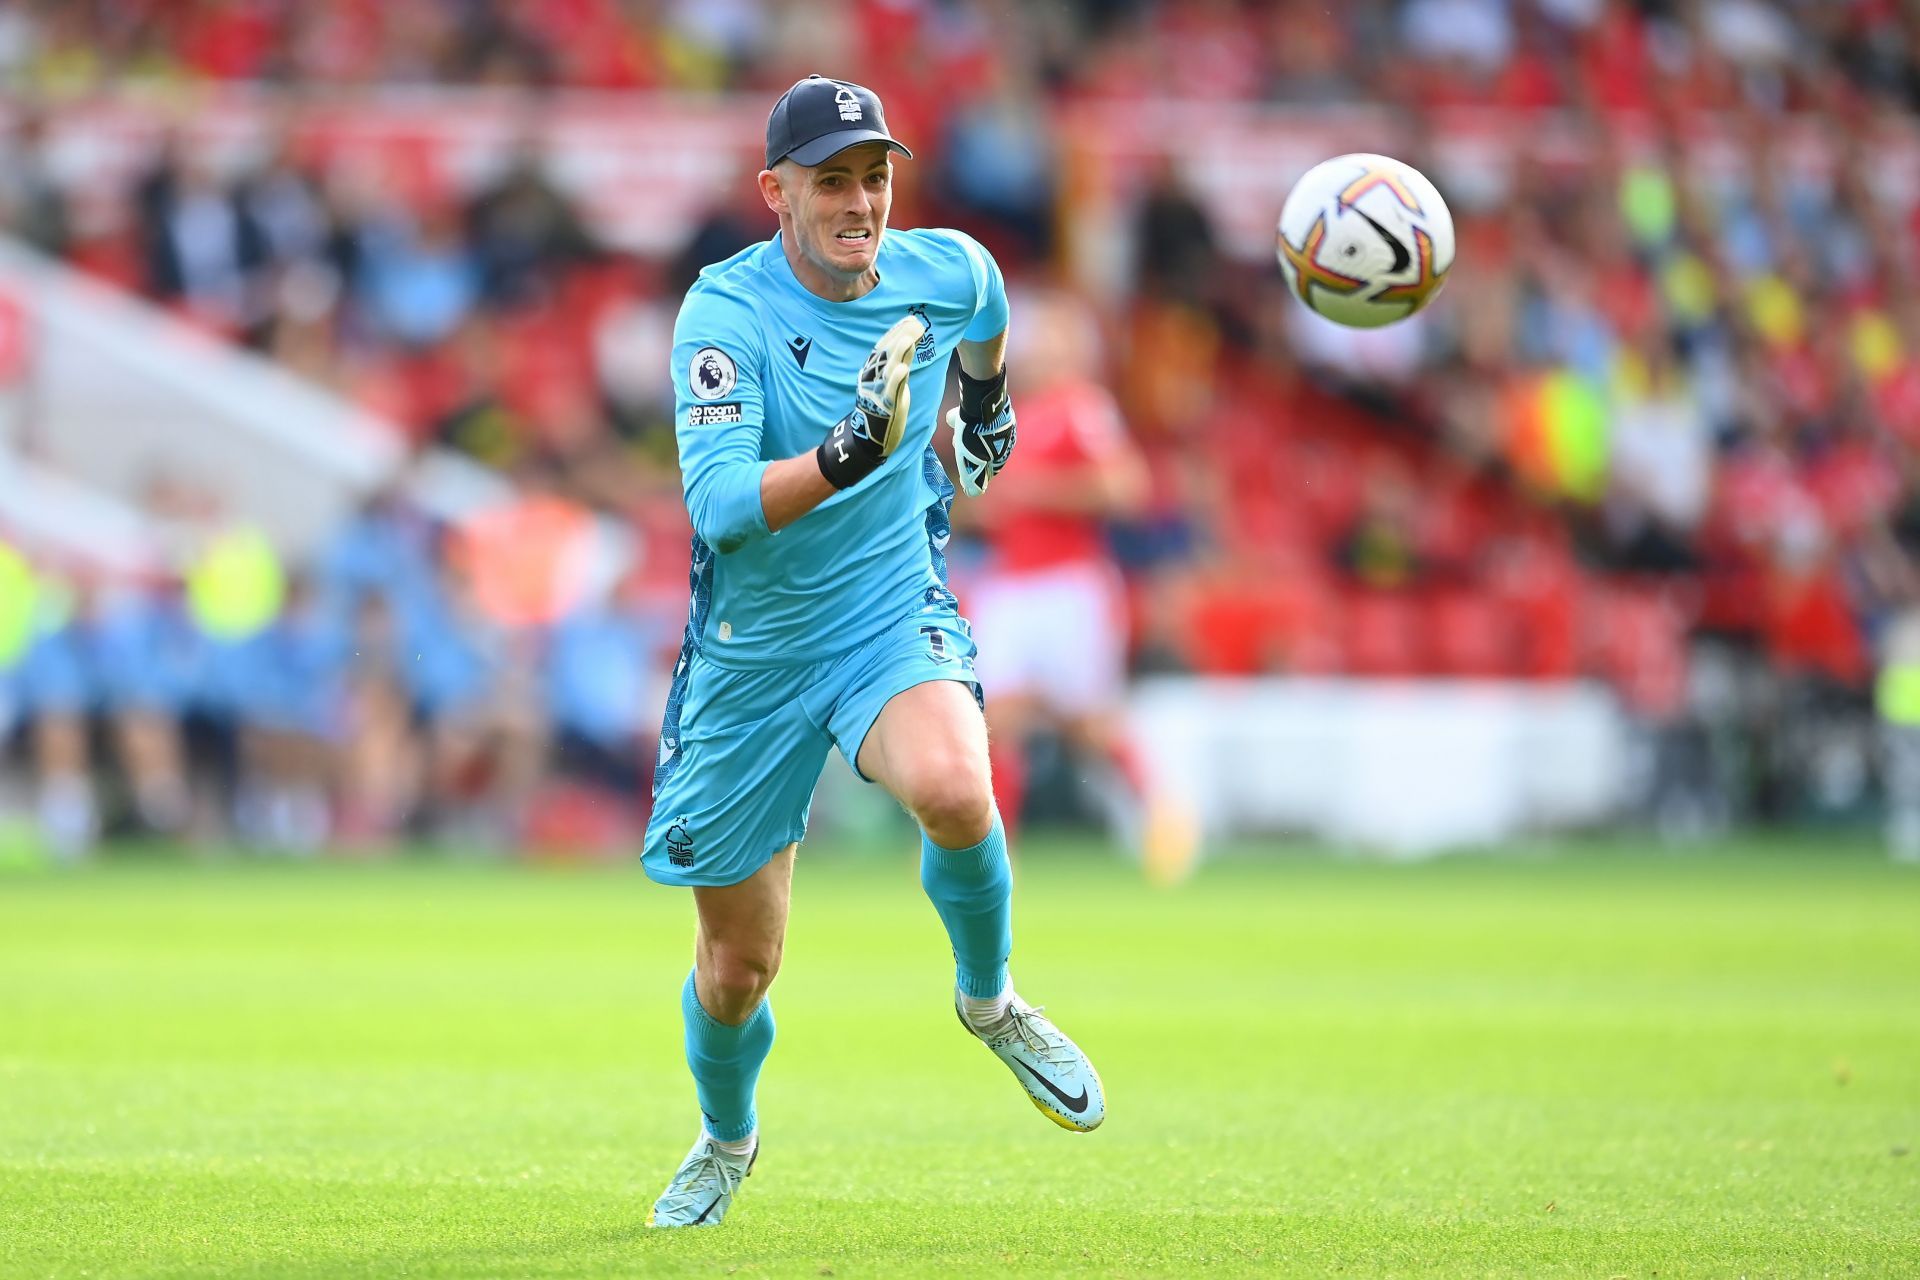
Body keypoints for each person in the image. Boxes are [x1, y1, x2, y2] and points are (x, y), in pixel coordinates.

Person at [642, 75, 1105, 1230]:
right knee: (737, 968)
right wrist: (849, 453)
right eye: (834, 180)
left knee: (956, 786)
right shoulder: (722, 314)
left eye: (876, 175)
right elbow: (720, 507)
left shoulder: (942, 266)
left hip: (884, 609)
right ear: (776, 194)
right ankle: (726, 1135)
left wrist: (986, 403)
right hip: (751, 656)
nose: (862, 200)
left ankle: (990, 1000)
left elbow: (991, 301)